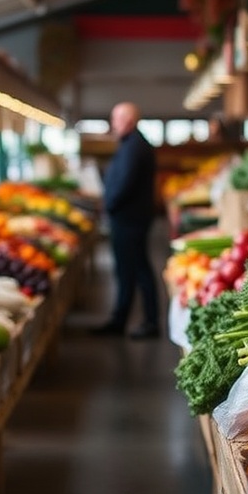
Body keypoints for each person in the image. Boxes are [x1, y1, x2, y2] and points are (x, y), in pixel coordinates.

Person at [91, 102, 161, 339]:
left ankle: (149, 323)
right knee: (129, 270)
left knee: (137, 270)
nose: (113, 124)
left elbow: (125, 184)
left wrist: (107, 205)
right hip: (130, 218)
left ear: (129, 120)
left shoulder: (134, 147)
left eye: (116, 119)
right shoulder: (131, 144)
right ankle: (121, 319)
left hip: (130, 220)